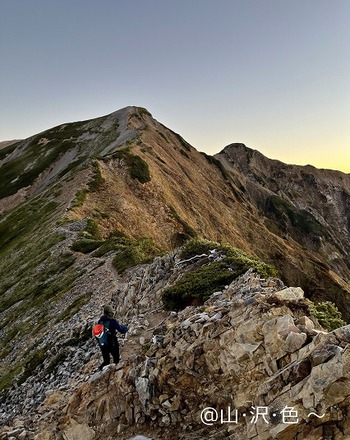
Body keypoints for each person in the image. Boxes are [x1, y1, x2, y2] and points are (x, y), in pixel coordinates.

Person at [98, 304, 128, 370]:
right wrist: (126, 328)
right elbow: (121, 330)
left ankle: (100, 370)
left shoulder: (100, 321)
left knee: (106, 361)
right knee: (116, 360)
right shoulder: (113, 322)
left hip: (103, 344)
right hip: (112, 344)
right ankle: (115, 372)